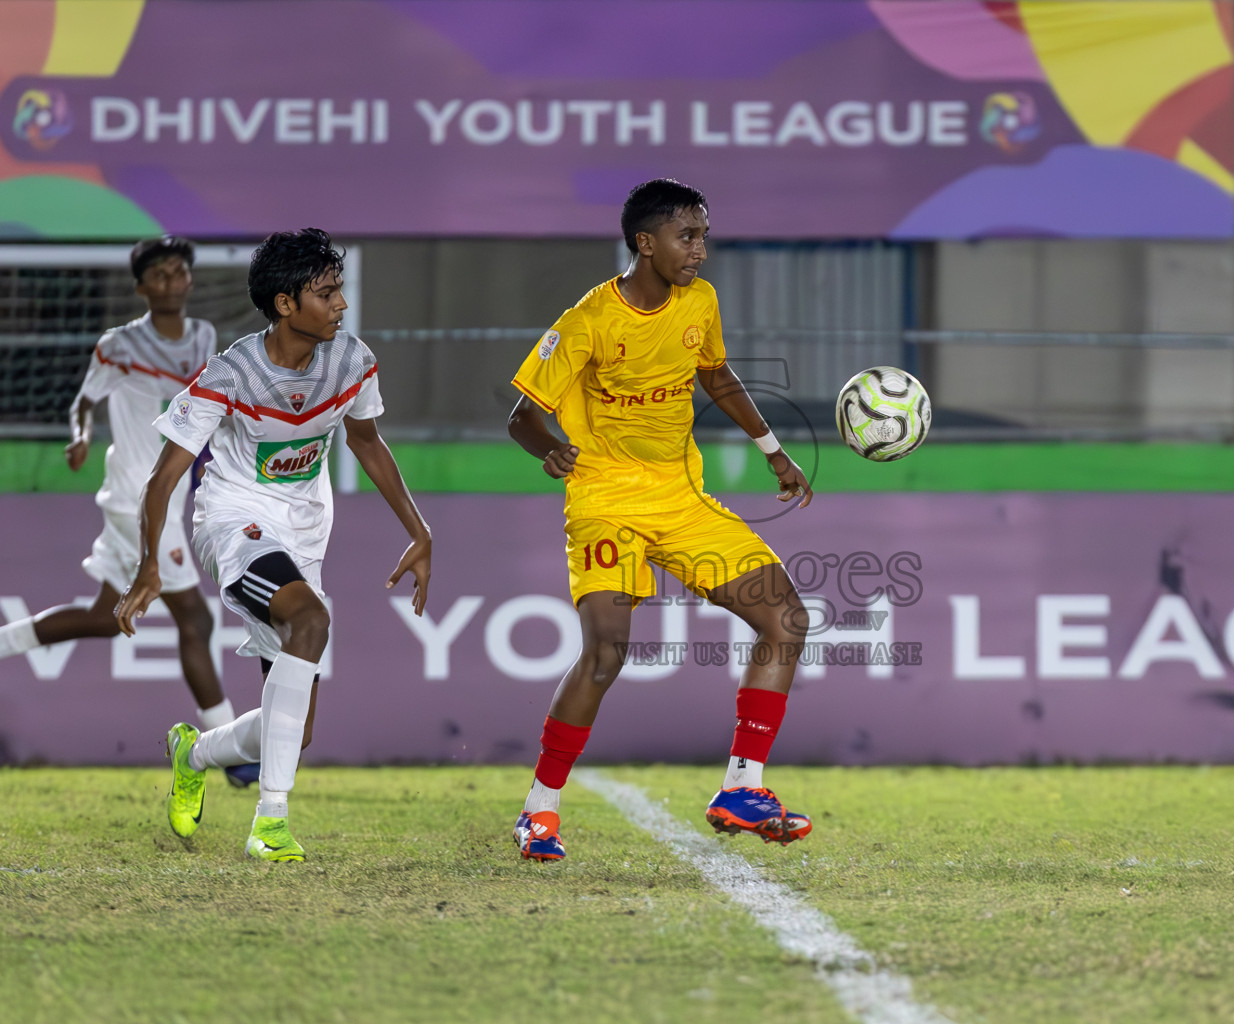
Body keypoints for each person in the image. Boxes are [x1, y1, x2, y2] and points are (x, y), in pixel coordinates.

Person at [505, 178, 814, 862]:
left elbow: (718, 375)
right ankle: (540, 811)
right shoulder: (588, 320)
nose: (700, 250)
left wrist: (775, 451)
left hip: (680, 499)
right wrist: (550, 448)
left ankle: (742, 787)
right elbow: (521, 413)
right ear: (646, 243)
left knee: (786, 618)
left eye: (703, 235)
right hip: (607, 501)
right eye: (688, 236)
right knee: (607, 651)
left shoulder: (698, 301)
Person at [116, 228, 433, 863]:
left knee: (295, 731)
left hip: (306, 528)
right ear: (285, 303)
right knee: (311, 619)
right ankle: (271, 822)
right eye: (327, 292)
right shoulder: (231, 372)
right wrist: (149, 563)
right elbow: (163, 476)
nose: (341, 304)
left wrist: (419, 530)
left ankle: (192, 752)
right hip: (232, 519)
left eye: (339, 289)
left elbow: (367, 443)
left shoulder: (352, 362)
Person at [0, 237, 256, 784]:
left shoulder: (205, 337)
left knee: (104, 617)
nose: (170, 281)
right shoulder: (118, 344)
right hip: (137, 500)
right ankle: (229, 754)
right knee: (195, 616)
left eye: (178, 271)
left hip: (169, 490)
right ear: (141, 287)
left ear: (190, 280)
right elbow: (84, 401)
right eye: (158, 274)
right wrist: (80, 436)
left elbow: (202, 406)